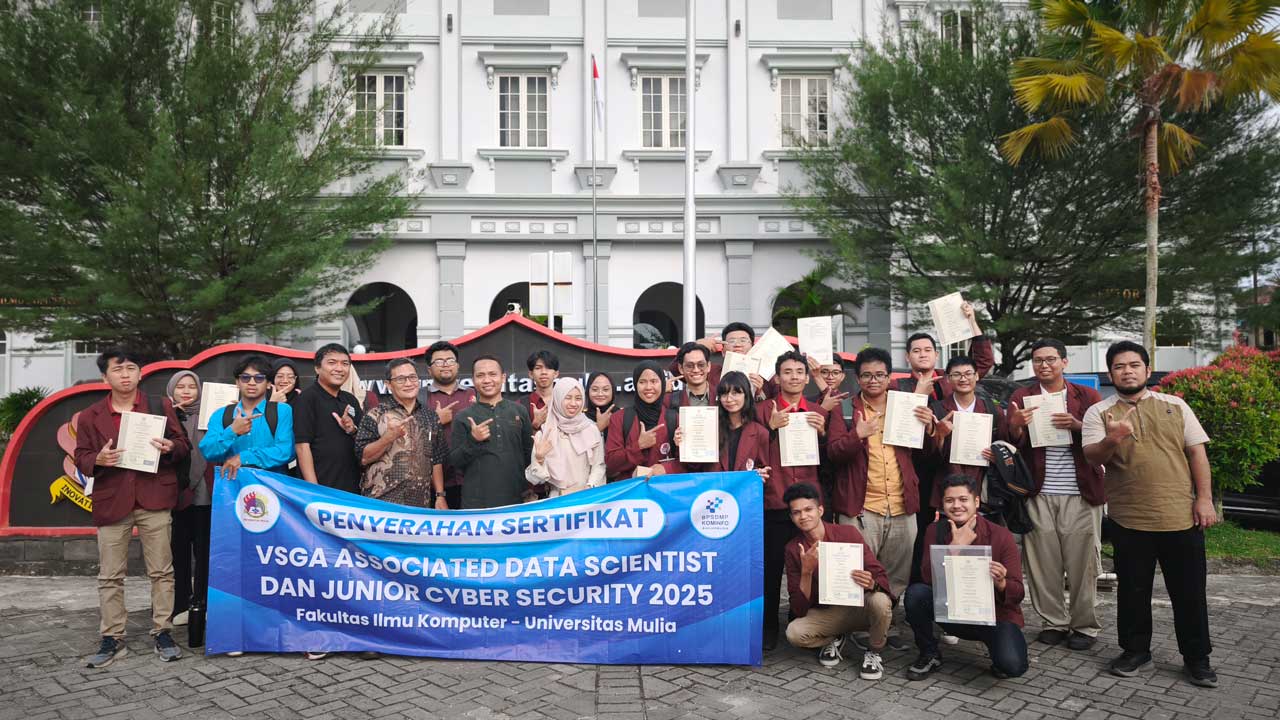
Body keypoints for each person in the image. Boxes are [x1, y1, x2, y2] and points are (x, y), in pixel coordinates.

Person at [1083, 340, 1218, 687]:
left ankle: (1197, 658)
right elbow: (1092, 457)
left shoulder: (1175, 405)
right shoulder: (1099, 412)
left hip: (1180, 517)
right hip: (1129, 519)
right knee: (1133, 591)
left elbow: (1197, 454)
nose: (1127, 371)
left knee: (1189, 593)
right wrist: (1113, 438)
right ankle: (1135, 651)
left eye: (1133, 365)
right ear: (1110, 373)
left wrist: (1204, 499)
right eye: (1119, 366)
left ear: (1147, 369)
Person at [74, 348, 190, 668]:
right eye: (118, 369)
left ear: (140, 373)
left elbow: (183, 445)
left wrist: (170, 447)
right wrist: (97, 459)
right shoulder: (91, 415)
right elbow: (81, 456)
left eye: (131, 368)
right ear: (105, 377)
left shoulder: (159, 406)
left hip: (154, 496)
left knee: (162, 571)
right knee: (110, 575)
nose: (125, 375)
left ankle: (162, 631)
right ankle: (112, 636)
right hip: (113, 500)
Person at [826, 347, 933, 640]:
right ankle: (860, 626)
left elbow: (925, 454)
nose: (873, 380)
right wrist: (857, 436)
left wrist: (929, 427)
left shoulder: (905, 406)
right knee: (859, 570)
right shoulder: (845, 409)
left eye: (879, 375)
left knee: (896, 574)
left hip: (901, 503)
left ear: (889, 377)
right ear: (857, 378)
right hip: (861, 506)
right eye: (866, 375)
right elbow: (833, 452)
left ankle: (886, 622)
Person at [1008, 338, 1105, 651]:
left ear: (1064, 362)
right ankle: (1053, 622)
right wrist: (1016, 426)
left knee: (1083, 564)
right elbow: (1012, 443)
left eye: (1050, 359)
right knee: (1042, 563)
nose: (1044, 365)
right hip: (1038, 493)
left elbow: (1103, 439)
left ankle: (1084, 626)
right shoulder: (1022, 396)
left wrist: (1077, 425)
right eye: (1038, 360)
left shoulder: (1087, 396)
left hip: (1081, 493)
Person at [896, 316, 992, 583]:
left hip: (951, 467)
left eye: (928, 349)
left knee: (956, 524)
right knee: (922, 530)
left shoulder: (949, 381)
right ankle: (920, 585)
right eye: (917, 350)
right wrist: (918, 392)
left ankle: (959, 583)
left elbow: (982, 362)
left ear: (936, 355)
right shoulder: (899, 386)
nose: (922, 354)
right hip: (915, 467)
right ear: (907, 357)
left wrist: (971, 321)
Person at [905, 474, 1029, 681]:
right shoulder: (935, 530)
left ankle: (997, 648)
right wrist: (954, 548)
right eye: (949, 500)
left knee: (1012, 666)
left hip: (992, 616)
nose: (956, 506)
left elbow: (1018, 593)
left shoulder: (1000, 535)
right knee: (916, 594)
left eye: (963, 499)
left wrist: (1001, 583)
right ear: (942, 504)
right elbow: (927, 577)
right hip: (952, 610)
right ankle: (929, 653)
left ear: (976, 502)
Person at [757, 351, 831, 651]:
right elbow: (751, 451)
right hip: (774, 501)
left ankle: (806, 621)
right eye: (787, 372)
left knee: (811, 565)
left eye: (799, 371)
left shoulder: (817, 411)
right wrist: (770, 428)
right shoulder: (762, 410)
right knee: (771, 568)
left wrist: (822, 434)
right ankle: (768, 626)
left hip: (808, 505)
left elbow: (834, 458)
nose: (794, 377)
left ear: (807, 377)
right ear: (777, 377)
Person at [783, 482, 894, 678]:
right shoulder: (793, 549)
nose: (803, 516)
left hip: (859, 606)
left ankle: (874, 651)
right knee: (795, 632)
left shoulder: (847, 533)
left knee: (880, 601)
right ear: (791, 517)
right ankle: (833, 638)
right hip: (827, 612)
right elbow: (798, 609)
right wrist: (806, 572)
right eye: (796, 512)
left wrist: (871, 583)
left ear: (820, 510)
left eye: (808, 509)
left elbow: (880, 575)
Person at [354, 358, 447, 509]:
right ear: (388, 384)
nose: (408, 383)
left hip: (419, 504)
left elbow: (436, 459)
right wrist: (388, 438)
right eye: (401, 379)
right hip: (381, 503)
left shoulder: (430, 416)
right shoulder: (375, 415)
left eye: (412, 377)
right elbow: (363, 458)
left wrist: (440, 495)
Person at [450, 355, 534, 508]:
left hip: (516, 499)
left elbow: (529, 454)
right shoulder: (463, 416)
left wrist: (529, 489)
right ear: (473, 380)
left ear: (503, 377)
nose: (487, 380)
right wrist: (473, 440)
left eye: (492, 374)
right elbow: (454, 461)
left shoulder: (519, 411)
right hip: (476, 502)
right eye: (480, 375)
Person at [199, 355, 296, 480]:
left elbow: (286, 451)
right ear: (237, 382)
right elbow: (208, 452)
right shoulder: (221, 414)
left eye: (259, 378)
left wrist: (243, 458)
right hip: (234, 485)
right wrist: (232, 431)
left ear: (268, 384)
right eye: (245, 378)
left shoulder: (281, 411)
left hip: (272, 485)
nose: (251, 383)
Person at [929, 355, 1008, 509]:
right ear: (948, 379)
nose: (963, 379)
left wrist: (996, 456)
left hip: (983, 486)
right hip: (947, 487)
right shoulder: (937, 410)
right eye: (956, 374)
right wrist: (940, 436)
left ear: (976, 376)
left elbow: (1004, 444)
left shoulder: (992, 409)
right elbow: (927, 457)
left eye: (968, 374)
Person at [166, 370, 208, 628]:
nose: (186, 391)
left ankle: (201, 603)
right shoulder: (165, 417)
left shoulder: (210, 414)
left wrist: (191, 483)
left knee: (204, 553)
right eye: (180, 386)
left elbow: (206, 452)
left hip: (204, 494)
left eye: (191, 386)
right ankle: (180, 603)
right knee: (178, 553)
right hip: (175, 496)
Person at [293, 344, 363, 495]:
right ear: (317, 368)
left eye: (345, 364)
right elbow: (302, 447)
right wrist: (314, 490)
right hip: (321, 489)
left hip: (352, 488)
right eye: (332, 363)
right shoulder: (306, 399)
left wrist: (352, 430)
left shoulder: (350, 400)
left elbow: (363, 441)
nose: (339, 368)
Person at [672, 370, 771, 475]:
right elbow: (694, 467)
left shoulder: (760, 433)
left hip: (744, 486)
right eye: (724, 394)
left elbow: (763, 468)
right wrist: (683, 445)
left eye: (735, 393)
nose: (729, 399)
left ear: (746, 395)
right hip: (713, 485)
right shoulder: (709, 427)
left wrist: (760, 473)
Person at [526, 377, 605, 496]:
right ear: (558, 398)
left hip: (588, 498)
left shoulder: (591, 429)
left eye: (578, 398)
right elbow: (535, 480)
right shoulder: (545, 432)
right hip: (557, 501)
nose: (573, 403)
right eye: (567, 398)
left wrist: (590, 487)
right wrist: (539, 459)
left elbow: (599, 466)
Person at [605, 361, 680, 479]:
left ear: (662, 384)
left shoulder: (674, 418)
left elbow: (688, 464)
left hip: (665, 489)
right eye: (642, 382)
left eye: (654, 381)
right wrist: (639, 446)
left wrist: (666, 468)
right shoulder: (619, 418)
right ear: (635, 384)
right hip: (631, 489)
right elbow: (611, 464)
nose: (648, 387)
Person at [423, 341, 475, 509]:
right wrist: (436, 421)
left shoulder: (473, 395)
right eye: (439, 361)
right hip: (433, 484)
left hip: (471, 479)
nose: (445, 365)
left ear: (457, 366)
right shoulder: (420, 398)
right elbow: (413, 439)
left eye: (450, 360)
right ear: (429, 369)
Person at [668, 341, 718, 408]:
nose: (696, 370)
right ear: (681, 368)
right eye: (689, 366)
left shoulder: (722, 397)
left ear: (708, 366)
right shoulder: (669, 401)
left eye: (701, 365)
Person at [523, 350, 559, 431]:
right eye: (538, 368)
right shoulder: (521, 405)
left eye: (548, 368)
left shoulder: (565, 402)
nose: (544, 372)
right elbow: (517, 437)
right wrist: (535, 424)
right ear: (531, 374)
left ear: (556, 374)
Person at [584, 371, 618, 446]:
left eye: (605, 389)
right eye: (595, 389)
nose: (600, 394)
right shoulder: (580, 419)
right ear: (588, 391)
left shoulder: (622, 416)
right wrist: (598, 428)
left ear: (613, 391)